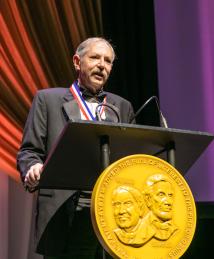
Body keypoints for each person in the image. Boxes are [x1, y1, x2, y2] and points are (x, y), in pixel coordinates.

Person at [17, 37, 135, 259]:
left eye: (108, 61)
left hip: (110, 211)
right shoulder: (47, 99)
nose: (102, 64)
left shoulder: (121, 106)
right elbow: (29, 151)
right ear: (77, 62)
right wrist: (33, 167)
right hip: (64, 210)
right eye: (95, 57)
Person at [141, 174, 178, 242]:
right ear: (148, 199)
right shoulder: (140, 228)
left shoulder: (175, 229)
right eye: (161, 195)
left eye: (170, 195)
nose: (168, 202)